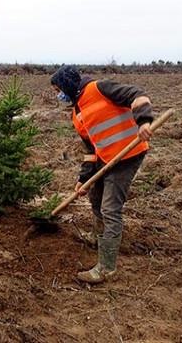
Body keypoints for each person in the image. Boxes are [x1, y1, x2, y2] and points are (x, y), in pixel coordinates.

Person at [50, 65, 154, 284]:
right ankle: (98, 238)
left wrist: (144, 121)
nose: (57, 94)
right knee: (95, 197)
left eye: (58, 88)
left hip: (128, 154)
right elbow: (91, 151)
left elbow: (137, 94)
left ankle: (106, 267)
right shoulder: (76, 114)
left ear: (67, 84)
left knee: (110, 207)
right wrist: (83, 180)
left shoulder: (99, 88)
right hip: (106, 157)